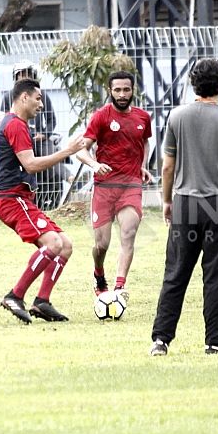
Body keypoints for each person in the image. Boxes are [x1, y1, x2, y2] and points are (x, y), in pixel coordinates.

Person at [149, 58, 218, 356]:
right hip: (217, 207)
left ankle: (161, 340)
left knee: (175, 273)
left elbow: (168, 167)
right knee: (216, 275)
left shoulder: (176, 117)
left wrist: (168, 201)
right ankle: (214, 341)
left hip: (185, 204)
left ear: (193, 84)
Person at [0, 78, 86, 324]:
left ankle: (42, 302)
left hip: (16, 198)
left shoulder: (6, 122)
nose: (41, 104)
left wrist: (2, 178)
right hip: (13, 200)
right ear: (24, 98)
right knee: (52, 244)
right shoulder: (16, 125)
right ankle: (14, 296)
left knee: (66, 244)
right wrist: (66, 152)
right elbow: (30, 164)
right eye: (38, 99)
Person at [75, 71, 152, 296]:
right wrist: (94, 164)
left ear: (133, 90)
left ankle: (119, 288)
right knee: (102, 245)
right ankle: (99, 273)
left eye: (126, 89)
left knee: (128, 234)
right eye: (117, 90)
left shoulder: (142, 117)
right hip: (104, 188)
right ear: (110, 91)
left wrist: (143, 165)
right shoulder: (101, 116)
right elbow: (82, 150)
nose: (121, 94)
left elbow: (144, 142)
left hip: (130, 186)